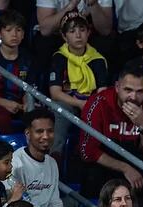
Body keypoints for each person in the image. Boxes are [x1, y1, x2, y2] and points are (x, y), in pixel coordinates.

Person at [78, 65, 143, 202]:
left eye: (139, 91)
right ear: (117, 87)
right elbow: (87, 151)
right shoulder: (99, 102)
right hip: (105, 165)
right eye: (128, 90)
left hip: (136, 161)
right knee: (91, 172)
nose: (133, 97)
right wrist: (125, 168)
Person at [49, 11, 108, 155]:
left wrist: (90, 105)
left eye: (82, 30)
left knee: (103, 110)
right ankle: (55, 155)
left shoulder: (98, 59)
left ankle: (93, 156)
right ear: (64, 36)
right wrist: (80, 103)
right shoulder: (59, 58)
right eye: (72, 31)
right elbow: (55, 93)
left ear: (88, 33)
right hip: (69, 104)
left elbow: (103, 92)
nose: (78, 35)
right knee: (59, 109)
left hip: (92, 104)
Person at [10, 109, 63, 207]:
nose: (46, 136)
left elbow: (54, 204)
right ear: (28, 134)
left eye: (50, 131)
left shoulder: (52, 163)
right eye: (39, 131)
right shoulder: (16, 163)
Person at [0, 9, 35, 134]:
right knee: (1, 116)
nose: (14, 34)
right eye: (9, 30)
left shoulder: (29, 59)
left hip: (20, 107)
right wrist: (5, 103)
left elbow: (29, 88)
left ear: (23, 34)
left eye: (18, 30)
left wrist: (27, 103)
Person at [0, 139, 22, 207]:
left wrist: (11, 194)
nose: (11, 166)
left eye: (11, 161)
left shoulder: (1, 186)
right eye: (6, 162)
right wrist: (13, 199)